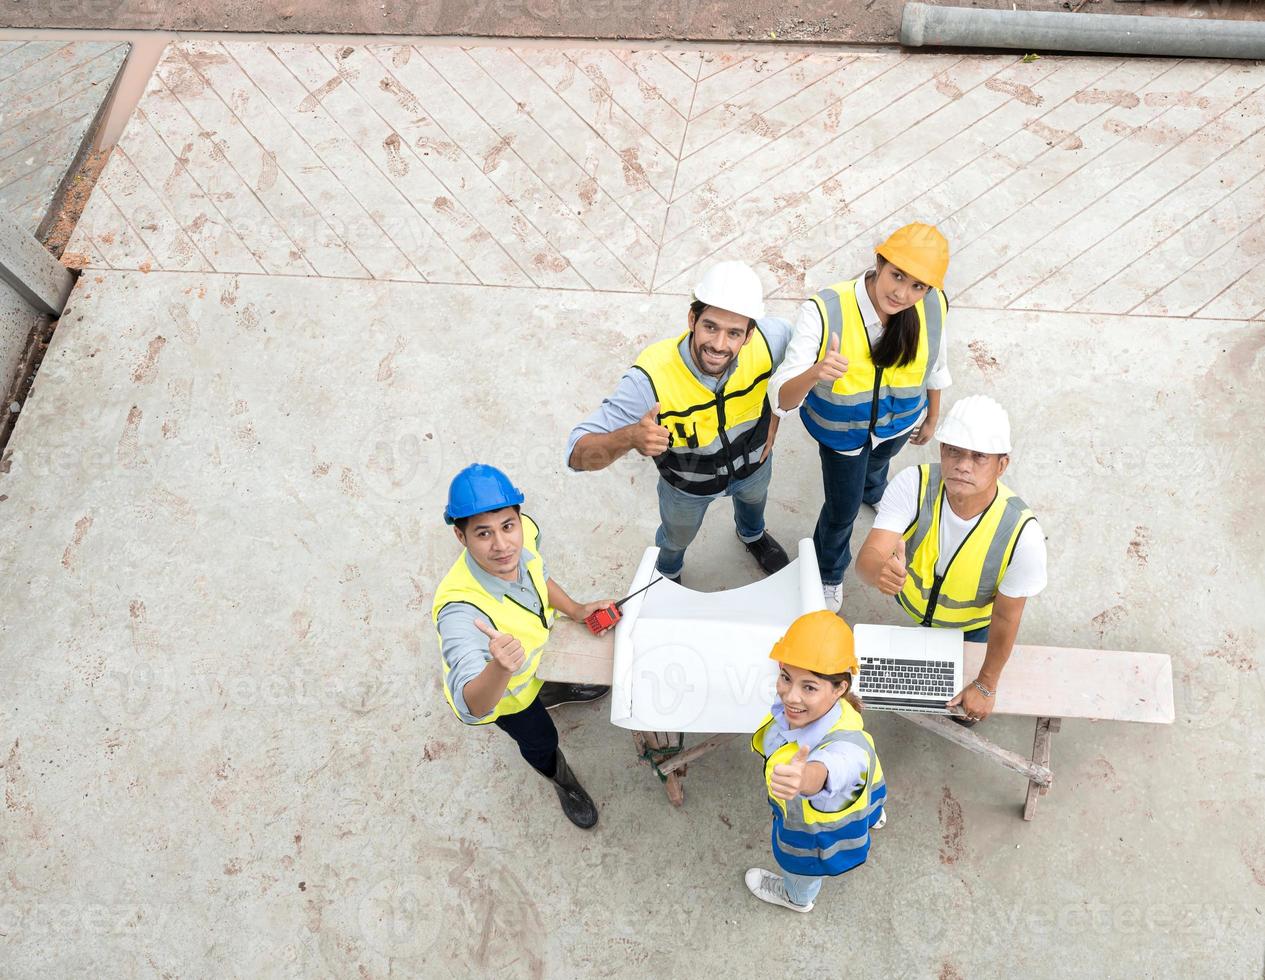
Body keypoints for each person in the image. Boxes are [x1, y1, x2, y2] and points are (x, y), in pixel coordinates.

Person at [567, 261, 793, 585]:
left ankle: (752, 535)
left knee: (755, 502)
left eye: (734, 333)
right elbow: (577, 455)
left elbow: (806, 364)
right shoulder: (650, 378)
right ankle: (669, 571)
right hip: (686, 487)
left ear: (750, 334)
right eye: (710, 327)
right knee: (676, 537)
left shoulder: (773, 340)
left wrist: (778, 413)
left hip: (754, 466)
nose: (718, 344)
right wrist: (631, 437)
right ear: (692, 319)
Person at [767, 223, 953, 612]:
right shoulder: (824, 310)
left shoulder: (933, 306)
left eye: (918, 286)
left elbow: (936, 364)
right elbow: (781, 400)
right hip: (843, 440)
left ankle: (873, 488)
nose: (903, 294)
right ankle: (828, 571)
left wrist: (932, 417)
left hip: (898, 427)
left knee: (879, 466)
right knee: (841, 512)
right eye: (897, 276)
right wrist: (815, 371)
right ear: (879, 262)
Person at [432, 463, 615, 828]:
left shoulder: (524, 536)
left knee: (548, 667)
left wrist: (576, 610)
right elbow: (472, 705)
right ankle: (560, 779)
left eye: (507, 526)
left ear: (518, 518)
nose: (502, 546)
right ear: (460, 536)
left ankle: (552, 689)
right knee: (542, 739)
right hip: (510, 697)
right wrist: (499, 667)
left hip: (534, 657)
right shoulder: (460, 610)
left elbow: (539, 575)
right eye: (483, 533)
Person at [854, 396, 1047, 726]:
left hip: (972, 626)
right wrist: (878, 571)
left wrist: (986, 685)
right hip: (917, 612)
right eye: (953, 450)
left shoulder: (1021, 535)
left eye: (979, 456)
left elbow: (1006, 617)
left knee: (965, 711)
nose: (962, 464)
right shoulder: (914, 484)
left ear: (1002, 465)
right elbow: (868, 558)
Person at [746, 611, 886, 913]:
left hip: (813, 840)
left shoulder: (848, 753)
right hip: (866, 795)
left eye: (809, 687)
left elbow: (831, 769)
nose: (790, 697)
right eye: (786, 678)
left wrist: (804, 779)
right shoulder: (834, 710)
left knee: (800, 872)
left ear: (839, 689)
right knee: (872, 808)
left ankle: (797, 898)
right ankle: (875, 817)